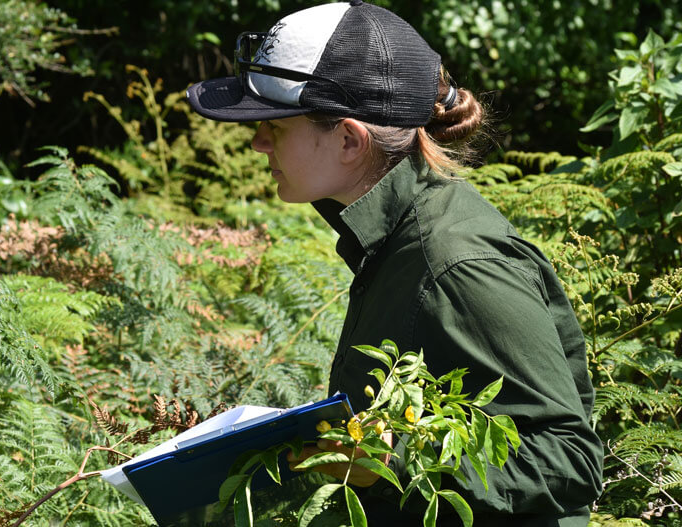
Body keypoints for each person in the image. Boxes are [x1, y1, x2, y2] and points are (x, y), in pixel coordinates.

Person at [185, 1, 604, 525]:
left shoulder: (458, 265)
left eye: (277, 125)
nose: (257, 141)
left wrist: (395, 463)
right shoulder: (390, 237)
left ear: (349, 140)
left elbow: (571, 460)